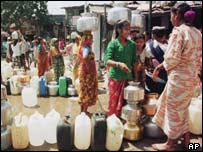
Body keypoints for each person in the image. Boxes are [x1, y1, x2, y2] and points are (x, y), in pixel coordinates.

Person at [151, 2, 202, 151]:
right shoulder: (197, 33)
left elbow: (172, 58)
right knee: (184, 110)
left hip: (179, 79)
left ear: (177, 15)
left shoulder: (179, 31)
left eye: (171, 15)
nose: (170, 19)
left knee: (173, 110)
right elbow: (199, 58)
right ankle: (189, 144)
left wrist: (160, 67)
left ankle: (170, 144)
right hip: (191, 79)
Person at [105, 20, 137, 116]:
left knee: (127, 105)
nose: (128, 32)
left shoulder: (132, 45)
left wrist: (136, 77)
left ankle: (125, 125)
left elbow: (134, 62)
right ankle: (113, 123)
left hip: (128, 79)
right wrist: (119, 64)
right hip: (115, 79)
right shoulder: (113, 44)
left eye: (129, 29)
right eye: (126, 29)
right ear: (119, 30)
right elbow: (107, 60)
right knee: (114, 105)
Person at [78, 31, 98, 115]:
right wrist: (88, 65)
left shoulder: (83, 47)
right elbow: (85, 57)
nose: (92, 41)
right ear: (87, 39)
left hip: (84, 72)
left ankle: (83, 111)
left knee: (84, 91)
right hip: (87, 74)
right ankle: (84, 112)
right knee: (87, 91)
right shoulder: (86, 48)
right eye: (91, 39)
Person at [145, 26, 168, 94]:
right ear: (164, 35)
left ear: (153, 35)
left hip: (151, 76)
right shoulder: (168, 45)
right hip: (166, 76)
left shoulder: (148, 46)